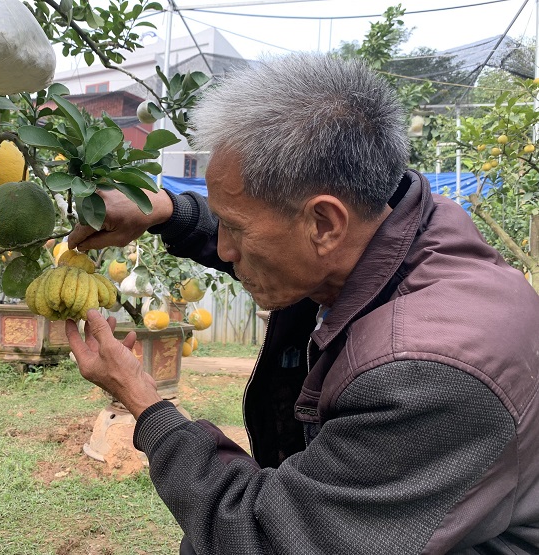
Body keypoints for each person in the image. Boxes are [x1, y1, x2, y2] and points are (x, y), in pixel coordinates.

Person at [64, 53, 539, 554]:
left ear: (325, 224)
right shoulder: (399, 219)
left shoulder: (425, 371)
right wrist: (169, 212)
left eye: (236, 228)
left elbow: (263, 538)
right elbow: (278, 242)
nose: (224, 249)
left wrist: (144, 401)